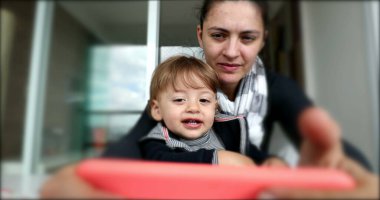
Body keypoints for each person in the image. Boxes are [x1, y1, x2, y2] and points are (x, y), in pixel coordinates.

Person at [40, 0, 378, 199]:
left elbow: (357, 174)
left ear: (262, 41)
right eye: (218, 35)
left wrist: (298, 169)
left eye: (247, 38)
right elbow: (127, 156)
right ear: (200, 34)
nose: (232, 52)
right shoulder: (173, 93)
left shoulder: (276, 90)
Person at [140, 55, 286, 166]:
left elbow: (251, 157)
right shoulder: (157, 141)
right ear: (157, 110)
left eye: (204, 100)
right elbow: (160, 163)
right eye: (179, 100)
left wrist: (269, 162)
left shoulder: (231, 128)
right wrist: (217, 159)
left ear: (215, 108)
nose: (193, 108)